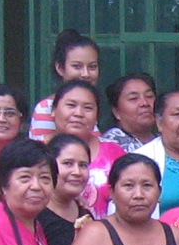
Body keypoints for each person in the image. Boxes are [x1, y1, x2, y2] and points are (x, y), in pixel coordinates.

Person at [46, 80, 125, 216]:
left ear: (97, 117)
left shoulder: (115, 153)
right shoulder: (35, 151)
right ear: (53, 110)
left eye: (87, 108)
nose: (78, 113)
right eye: (71, 105)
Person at [29, 29, 101, 141]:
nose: (86, 74)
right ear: (60, 68)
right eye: (77, 66)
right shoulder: (46, 108)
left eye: (92, 67)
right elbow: (41, 153)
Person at [37, 133, 96, 245]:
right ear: (50, 166)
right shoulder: (35, 216)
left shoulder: (85, 214)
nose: (77, 172)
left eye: (83, 165)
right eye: (68, 163)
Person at [101, 71, 158, 152]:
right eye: (133, 98)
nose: (144, 103)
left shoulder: (166, 141)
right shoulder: (110, 145)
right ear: (116, 112)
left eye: (149, 96)